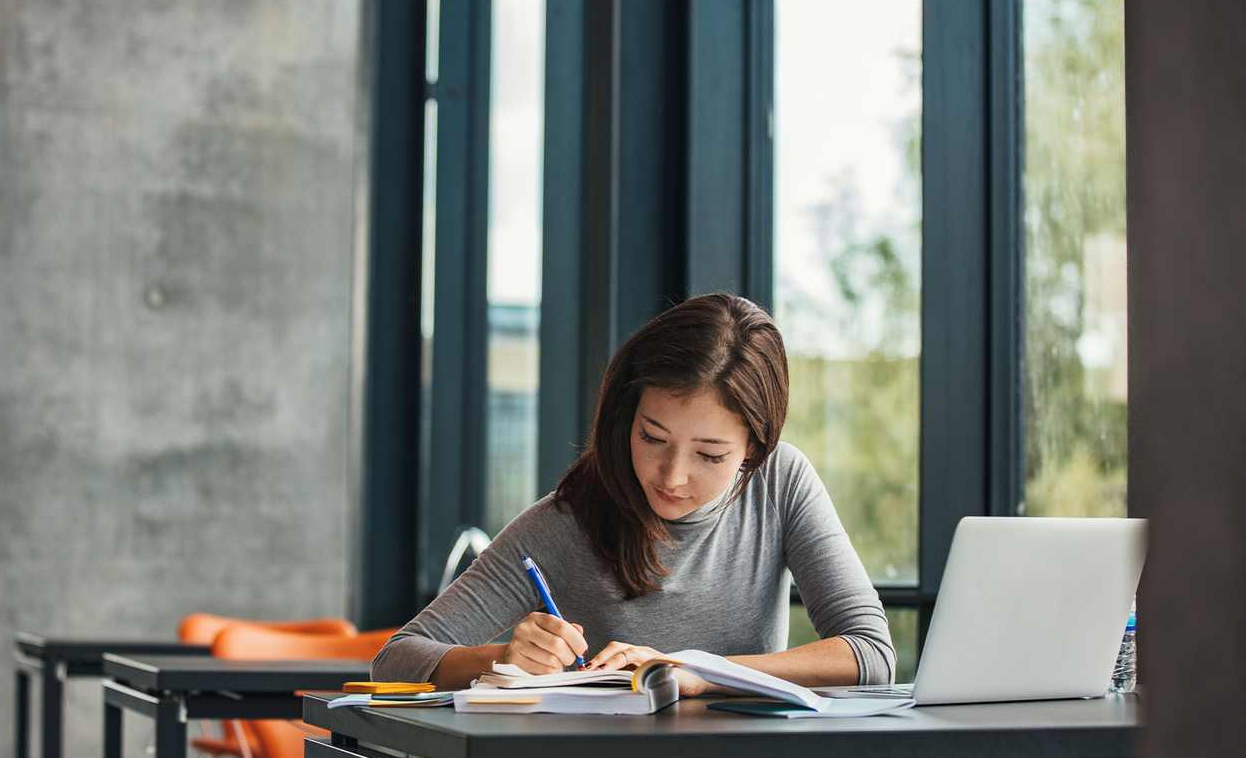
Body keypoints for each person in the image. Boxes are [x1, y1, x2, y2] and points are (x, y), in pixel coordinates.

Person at [372, 293, 895, 694]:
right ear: (626, 417)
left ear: (754, 450)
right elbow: (395, 660)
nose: (671, 476)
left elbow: (870, 654)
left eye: (709, 455)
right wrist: (503, 657)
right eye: (652, 437)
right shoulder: (568, 520)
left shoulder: (780, 483)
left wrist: (694, 670)